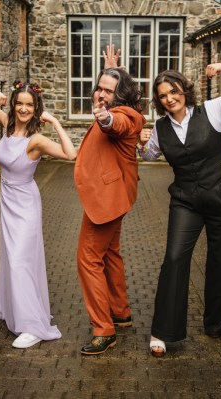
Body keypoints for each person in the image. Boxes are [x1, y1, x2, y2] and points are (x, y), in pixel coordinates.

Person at [138, 63, 221, 357]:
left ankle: (215, 324)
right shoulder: (160, 128)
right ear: (159, 101)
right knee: (174, 257)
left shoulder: (212, 110)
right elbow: (150, 154)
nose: (170, 98)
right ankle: (164, 332)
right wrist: (141, 143)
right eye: (163, 95)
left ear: (183, 90)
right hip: (186, 200)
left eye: (173, 91)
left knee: (220, 260)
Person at [0, 81, 77, 348]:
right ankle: (17, 311)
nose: (24, 108)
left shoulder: (35, 139)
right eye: (19, 103)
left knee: (19, 261)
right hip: (8, 202)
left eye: (29, 104)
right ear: (13, 104)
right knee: (10, 258)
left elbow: (70, 155)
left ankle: (33, 326)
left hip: (25, 205)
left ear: (36, 108)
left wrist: (56, 122)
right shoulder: (8, 127)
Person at [75, 46, 146, 355]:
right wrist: (113, 69)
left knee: (88, 258)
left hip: (107, 201)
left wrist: (105, 117)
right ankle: (120, 312)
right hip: (115, 197)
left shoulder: (124, 115)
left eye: (108, 91)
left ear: (121, 97)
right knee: (110, 253)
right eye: (99, 88)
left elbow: (116, 124)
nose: (101, 94)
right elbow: (111, 99)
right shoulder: (116, 103)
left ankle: (104, 330)